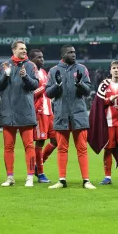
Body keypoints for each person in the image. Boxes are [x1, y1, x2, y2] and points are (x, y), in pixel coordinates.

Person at [45, 44, 96, 189]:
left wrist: (80, 84)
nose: (74, 54)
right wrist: (57, 85)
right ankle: (62, 180)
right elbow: (48, 93)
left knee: (82, 148)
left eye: (74, 52)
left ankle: (86, 180)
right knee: (62, 148)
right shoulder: (54, 71)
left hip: (78, 114)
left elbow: (87, 91)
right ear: (63, 55)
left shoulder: (82, 69)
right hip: (61, 114)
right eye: (70, 52)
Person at [0, 40, 39, 187]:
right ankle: (10, 177)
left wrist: (25, 76)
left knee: (29, 146)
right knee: (8, 147)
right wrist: (6, 76)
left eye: (25, 49)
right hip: (9, 112)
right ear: (14, 50)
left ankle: (30, 177)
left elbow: (34, 85)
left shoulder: (31, 66)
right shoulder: (4, 66)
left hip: (25, 112)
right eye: (21, 49)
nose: (25, 51)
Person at [29, 49, 57, 183]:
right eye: (39, 57)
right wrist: (45, 87)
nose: (42, 59)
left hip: (49, 111)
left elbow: (48, 90)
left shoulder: (44, 72)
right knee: (40, 142)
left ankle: (38, 165)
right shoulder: (29, 72)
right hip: (39, 112)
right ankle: (40, 173)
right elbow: (30, 94)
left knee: (56, 140)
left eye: (42, 57)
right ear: (32, 59)